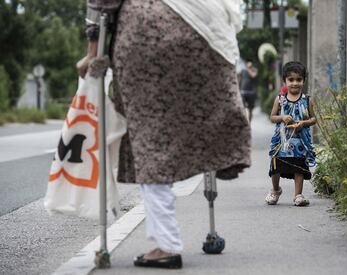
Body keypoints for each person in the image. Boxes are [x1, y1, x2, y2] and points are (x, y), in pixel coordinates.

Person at [77, 0, 251, 269]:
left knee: (152, 136)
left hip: (146, 32)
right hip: (207, 33)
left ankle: (166, 245)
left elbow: (101, 3)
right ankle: (221, 157)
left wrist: (92, 53)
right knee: (196, 119)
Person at [265, 61, 316, 207]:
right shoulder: (280, 99)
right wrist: (282, 118)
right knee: (276, 166)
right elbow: (272, 117)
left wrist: (303, 123)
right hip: (281, 141)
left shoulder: (307, 100)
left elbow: (314, 119)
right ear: (284, 81)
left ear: (304, 80)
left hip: (299, 141)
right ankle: (275, 190)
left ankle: (298, 195)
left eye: (299, 80)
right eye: (291, 80)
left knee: (298, 167)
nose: (295, 83)